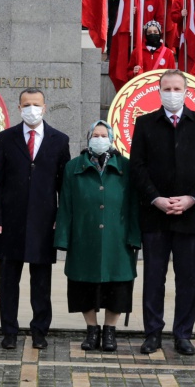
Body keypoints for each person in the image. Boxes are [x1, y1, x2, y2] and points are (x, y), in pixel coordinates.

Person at [131, 69, 195, 356]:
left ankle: (183, 334)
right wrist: (154, 198)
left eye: (177, 89)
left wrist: (193, 198)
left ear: (186, 91)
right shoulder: (145, 123)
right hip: (154, 215)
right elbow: (137, 167)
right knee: (154, 277)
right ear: (159, 91)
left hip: (190, 215)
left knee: (187, 278)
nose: (172, 93)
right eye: (167, 89)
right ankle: (153, 333)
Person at [0, 89, 69, 351]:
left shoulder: (60, 140)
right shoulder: (6, 138)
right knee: (8, 281)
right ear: (19, 108)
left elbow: (64, 185)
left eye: (36, 105)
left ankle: (39, 331)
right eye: (26, 105)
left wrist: (61, 217)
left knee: (41, 282)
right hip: (10, 221)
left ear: (44, 107)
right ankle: (9, 331)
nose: (31, 109)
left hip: (44, 222)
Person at [57, 121, 139, 353]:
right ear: (88, 138)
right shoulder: (73, 167)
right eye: (95, 135)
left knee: (118, 284)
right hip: (83, 237)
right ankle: (92, 330)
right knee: (83, 284)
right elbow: (65, 205)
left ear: (111, 138)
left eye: (104, 135)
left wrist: (135, 236)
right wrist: (63, 238)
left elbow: (134, 205)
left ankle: (110, 330)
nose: (99, 139)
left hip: (117, 238)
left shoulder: (125, 166)